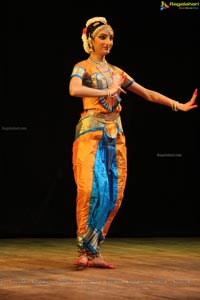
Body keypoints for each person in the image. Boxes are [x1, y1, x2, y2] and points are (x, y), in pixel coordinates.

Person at [69, 16, 198, 269]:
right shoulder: (83, 67)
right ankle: (84, 249)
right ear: (90, 41)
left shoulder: (118, 72)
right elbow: (74, 90)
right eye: (103, 37)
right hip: (90, 134)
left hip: (115, 137)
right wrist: (107, 91)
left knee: (114, 195)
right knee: (90, 190)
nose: (108, 41)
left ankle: (94, 251)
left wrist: (178, 105)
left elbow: (148, 93)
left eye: (111, 37)